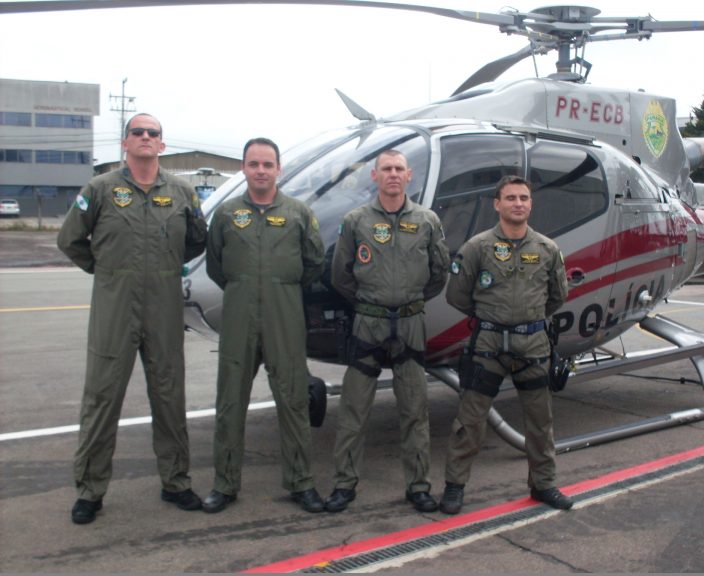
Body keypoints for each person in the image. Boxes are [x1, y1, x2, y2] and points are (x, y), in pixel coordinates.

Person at [57, 113, 208, 525]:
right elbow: (70, 239)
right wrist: (107, 273)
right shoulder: (101, 189)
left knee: (169, 395)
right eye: (137, 132)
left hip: (163, 307)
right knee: (102, 398)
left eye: (152, 133)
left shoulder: (181, 192)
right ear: (125, 143)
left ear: (162, 144)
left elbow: (197, 240)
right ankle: (90, 490)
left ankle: (176, 481)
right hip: (115, 307)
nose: (145, 137)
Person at [203, 137, 326, 514]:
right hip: (239, 316)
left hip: (284, 315)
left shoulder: (299, 213)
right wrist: (244, 289)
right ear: (243, 168)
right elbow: (216, 265)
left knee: (292, 400)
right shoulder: (226, 215)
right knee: (230, 401)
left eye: (267, 164)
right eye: (253, 164)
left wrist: (279, 289)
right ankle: (224, 484)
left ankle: (301, 482)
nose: (260, 170)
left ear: (278, 169)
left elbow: (314, 263)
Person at [438, 175, 572, 515]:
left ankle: (543, 485)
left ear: (531, 204)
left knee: (540, 422)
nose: (518, 203)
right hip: (487, 345)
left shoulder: (547, 249)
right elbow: (457, 295)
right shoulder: (477, 248)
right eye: (510, 198)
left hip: (534, 346)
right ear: (497, 204)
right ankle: (454, 487)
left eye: (524, 198)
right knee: (469, 422)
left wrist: (527, 319)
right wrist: (491, 318)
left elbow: (558, 297)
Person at [326, 149, 449, 513]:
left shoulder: (427, 221)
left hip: (411, 324)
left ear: (409, 175)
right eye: (386, 169)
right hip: (367, 323)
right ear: (374, 176)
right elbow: (340, 275)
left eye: (399, 169)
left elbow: (439, 273)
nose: (393, 174)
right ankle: (344, 485)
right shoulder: (355, 221)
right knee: (354, 410)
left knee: (415, 411)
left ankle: (419, 486)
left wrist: (410, 300)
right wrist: (371, 302)